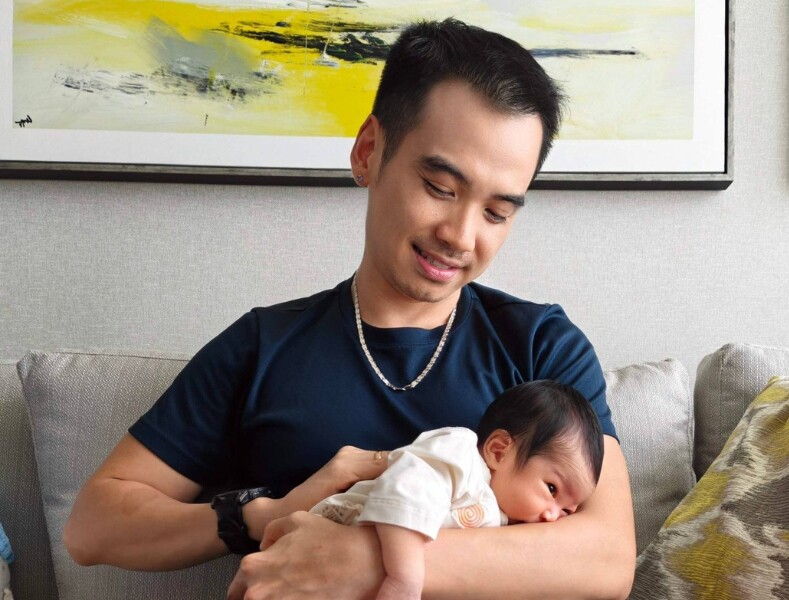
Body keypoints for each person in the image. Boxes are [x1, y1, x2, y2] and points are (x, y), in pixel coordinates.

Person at [64, 17, 636, 599]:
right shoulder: (263, 346)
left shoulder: (541, 346)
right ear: (369, 152)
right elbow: (93, 526)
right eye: (440, 188)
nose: (461, 236)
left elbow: (608, 559)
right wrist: (263, 513)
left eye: (496, 213)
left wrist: (360, 560)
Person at [310, 380, 605, 600]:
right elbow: (405, 493)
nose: (552, 516)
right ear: (499, 451)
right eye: (552, 489)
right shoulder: (460, 455)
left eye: (567, 511)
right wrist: (404, 578)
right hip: (332, 535)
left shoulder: (507, 524)